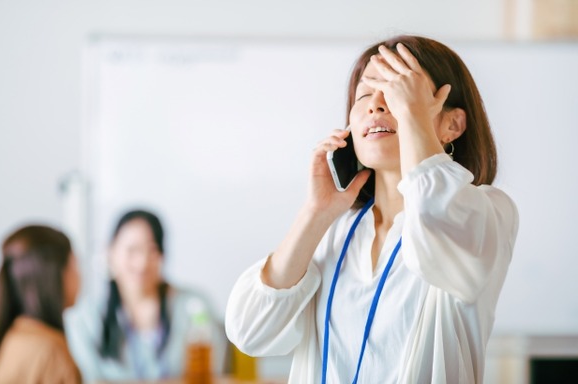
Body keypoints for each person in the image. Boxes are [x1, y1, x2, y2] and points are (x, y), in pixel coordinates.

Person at [225, 35, 519, 383]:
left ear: (452, 125)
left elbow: (436, 229)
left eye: (398, 92)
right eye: (365, 95)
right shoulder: (334, 230)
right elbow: (250, 332)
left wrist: (412, 115)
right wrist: (315, 214)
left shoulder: (485, 213)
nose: (376, 106)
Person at [65, 209, 226, 382]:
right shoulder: (86, 318)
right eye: (132, 250)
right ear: (110, 253)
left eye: (152, 250)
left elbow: (212, 372)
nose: (142, 262)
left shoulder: (194, 306)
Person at [0, 225, 82, 384]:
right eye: (73, 265)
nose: (80, 276)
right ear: (54, 275)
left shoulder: (12, 337)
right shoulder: (50, 352)